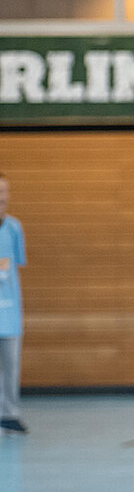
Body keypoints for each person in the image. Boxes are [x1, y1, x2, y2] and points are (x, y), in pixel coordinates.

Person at [0, 174, 26, 435]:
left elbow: (17, 266)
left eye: (4, 190)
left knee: (10, 367)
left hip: (9, 313)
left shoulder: (14, 228)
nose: (1, 195)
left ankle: (9, 415)